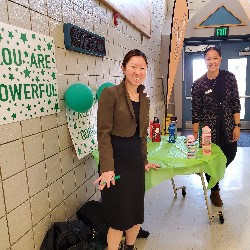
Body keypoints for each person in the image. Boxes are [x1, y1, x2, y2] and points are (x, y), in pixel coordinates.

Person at [94, 49, 160, 250]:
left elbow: (142, 135)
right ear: (123, 68)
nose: (137, 72)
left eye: (142, 68)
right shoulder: (110, 94)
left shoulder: (145, 98)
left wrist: (144, 160)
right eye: (133, 67)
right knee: (118, 217)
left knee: (135, 212)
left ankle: (129, 247)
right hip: (115, 161)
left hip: (135, 163)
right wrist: (107, 167)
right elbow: (103, 133)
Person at [191, 47, 241, 207]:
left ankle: (216, 176)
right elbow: (196, 109)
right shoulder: (198, 84)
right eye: (208, 58)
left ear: (220, 59)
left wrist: (237, 125)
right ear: (204, 61)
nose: (211, 61)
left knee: (230, 154)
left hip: (228, 126)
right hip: (208, 130)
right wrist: (195, 132)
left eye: (215, 58)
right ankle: (215, 190)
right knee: (209, 159)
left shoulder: (229, 78)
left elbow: (235, 103)